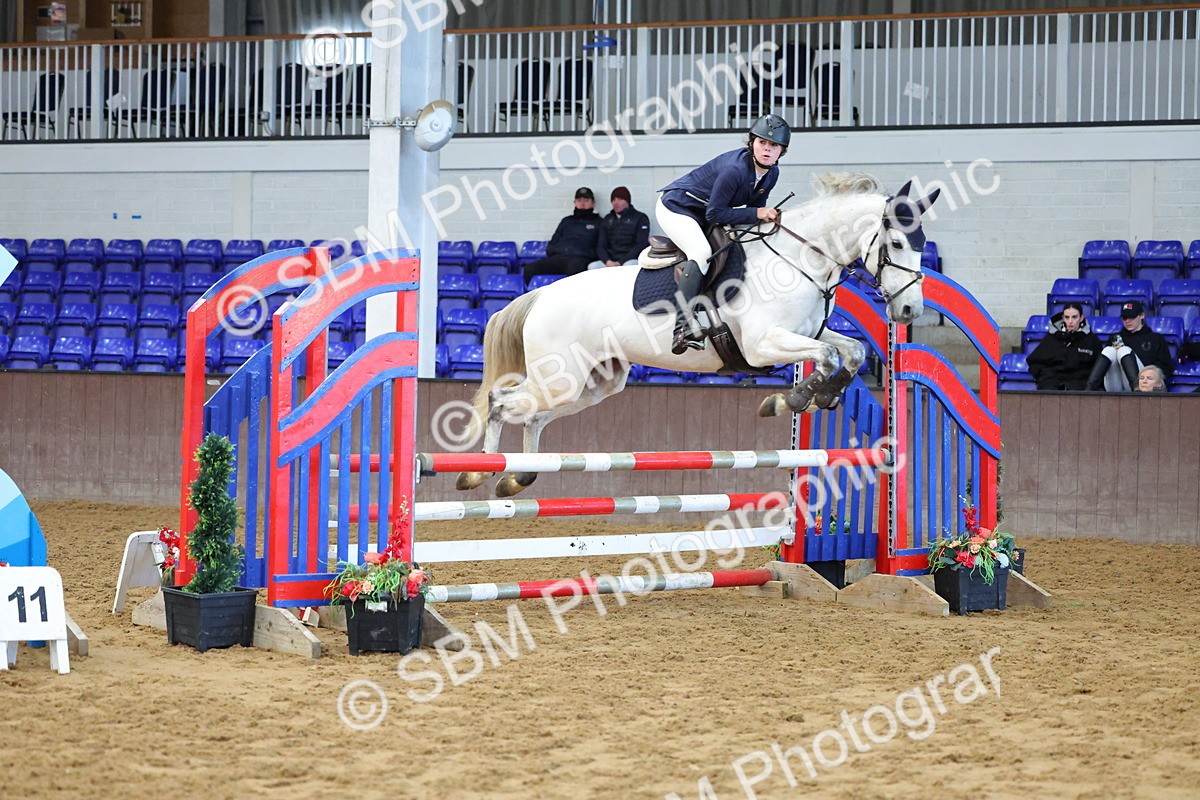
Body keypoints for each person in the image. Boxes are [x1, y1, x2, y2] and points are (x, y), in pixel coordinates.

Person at [656, 113, 791, 354]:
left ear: (782, 151)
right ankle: (683, 326)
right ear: (752, 143)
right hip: (677, 207)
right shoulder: (735, 169)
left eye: (774, 145)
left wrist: (763, 216)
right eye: (762, 142)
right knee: (701, 252)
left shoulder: (772, 173)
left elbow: (752, 212)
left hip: (702, 211)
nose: (767, 149)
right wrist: (759, 213)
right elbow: (716, 214)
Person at [1084, 301, 1175, 391]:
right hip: (1116, 382)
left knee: (1124, 350)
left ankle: (1137, 391)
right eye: (1124, 318)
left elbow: (1166, 368)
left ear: (1142, 315)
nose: (1128, 321)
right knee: (1109, 350)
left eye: (1132, 317)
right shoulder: (1115, 337)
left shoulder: (1156, 338)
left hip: (1144, 383)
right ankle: (1088, 391)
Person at [522, 187, 602, 279]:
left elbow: (601, 247)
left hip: (580, 259)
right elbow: (552, 243)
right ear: (574, 202)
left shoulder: (599, 222)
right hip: (559, 257)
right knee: (529, 269)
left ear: (593, 202)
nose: (582, 203)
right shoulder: (566, 221)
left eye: (586, 200)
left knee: (575, 270)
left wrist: (586, 254)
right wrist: (556, 250)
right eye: (579, 200)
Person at [1026, 303, 1101, 391]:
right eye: (1067, 317)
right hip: (1051, 381)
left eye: (1074, 317)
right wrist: (1043, 376)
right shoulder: (1051, 337)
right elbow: (1034, 361)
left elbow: (1099, 366)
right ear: (1063, 318)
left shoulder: (1091, 339)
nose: (1070, 321)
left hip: (1080, 383)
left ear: (1081, 318)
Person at [588, 187, 651, 269]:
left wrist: (621, 262)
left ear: (627, 201)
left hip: (630, 260)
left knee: (628, 266)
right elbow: (601, 245)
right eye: (613, 200)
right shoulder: (607, 219)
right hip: (610, 261)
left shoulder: (640, 218)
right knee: (592, 266)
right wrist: (607, 261)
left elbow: (641, 244)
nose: (616, 203)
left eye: (620, 199)